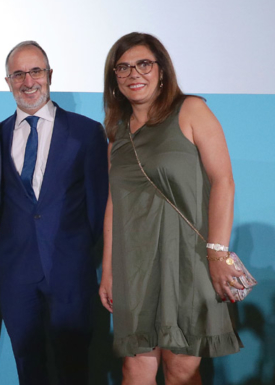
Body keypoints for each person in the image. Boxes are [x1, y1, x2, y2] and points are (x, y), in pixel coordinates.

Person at [99, 32, 243, 384]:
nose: (134, 73)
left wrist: (217, 253)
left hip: (187, 259)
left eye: (144, 64)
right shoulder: (117, 132)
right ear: (115, 78)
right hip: (134, 265)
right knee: (134, 367)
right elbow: (114, 203)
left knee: (181, 368)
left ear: (162, 70)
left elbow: (223, 181)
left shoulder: (191, 109)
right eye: (123, 67)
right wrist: (108, 270)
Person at [0, 41, 108, 385]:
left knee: (74, 369)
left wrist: (84, 256)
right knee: (29, 368)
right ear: (8, 80)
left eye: (35, 71)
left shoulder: (86, 132)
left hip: (70, 272)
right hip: (17, 274)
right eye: (18, 74)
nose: (28, 81)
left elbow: (99, 203)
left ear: (49, 75)